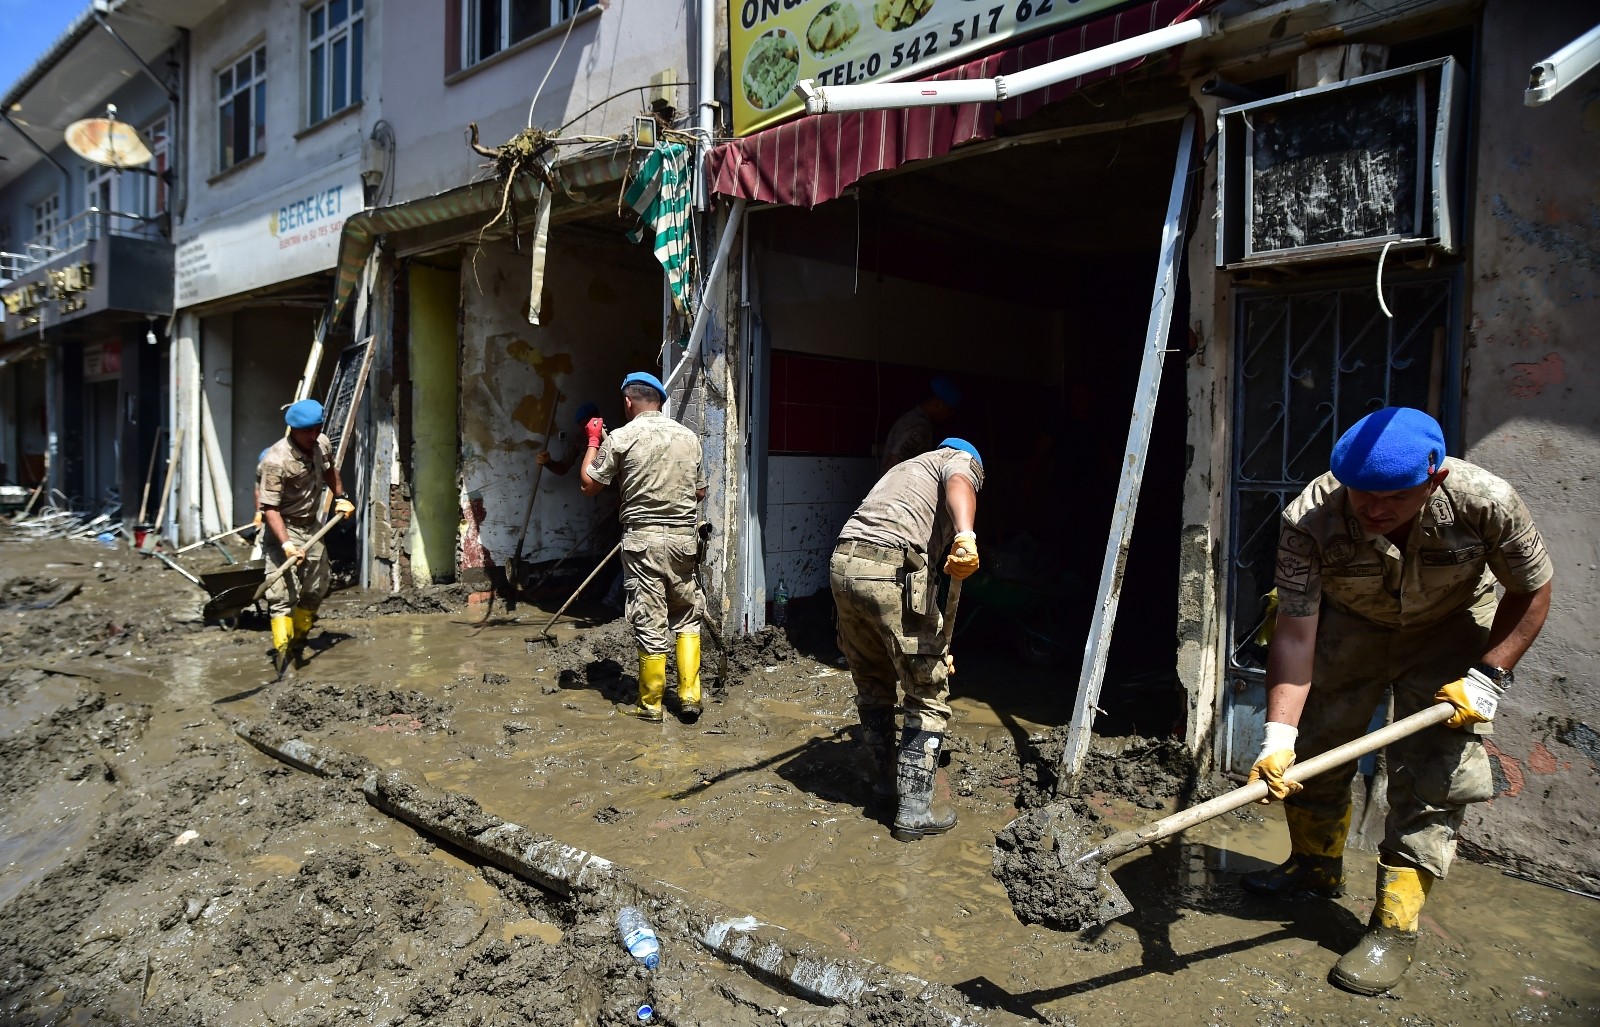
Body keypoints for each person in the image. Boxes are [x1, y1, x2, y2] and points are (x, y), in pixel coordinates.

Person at [1244, 407, 1552, 995]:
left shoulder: (1486, 501)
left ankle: (1394, 927)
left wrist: (1490, 675)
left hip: (1451, 630)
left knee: (1434, 776)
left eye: (1392, 496)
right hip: (1349, 626)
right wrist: (1278, 737)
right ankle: (1313, 869)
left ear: (1433, 477)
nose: (1374, 509)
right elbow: (1294, 629)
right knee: (1315, 749)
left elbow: (1531, 588)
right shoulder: (1310, 516)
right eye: (1362, 494)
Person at [831, 438, 982, 842]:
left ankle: (884, 786)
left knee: (873, 680)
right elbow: (960, 481)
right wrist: (965, 534)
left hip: (844, 564)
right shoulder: (956, 460)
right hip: (889, 567)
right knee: (927, 689)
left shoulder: (906, 470)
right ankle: (914, 811)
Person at [579, 372, 707, 723]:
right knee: (685, 614)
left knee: (650, 620)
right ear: (661, 401)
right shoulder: (689, 437)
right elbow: (699, 492)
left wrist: (593, 441)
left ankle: (651, 704)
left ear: (628, 401)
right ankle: (690, 696)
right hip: (684, 540)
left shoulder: (621, 437)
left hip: (644, 542)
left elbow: (590, 484)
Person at [257, 399, 355, 672]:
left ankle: (298, 640)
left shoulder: (321, 443)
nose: (313, 435)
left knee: (316, 588)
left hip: (312, 526)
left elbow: (329, 470)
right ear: (293, 429)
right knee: (281, 596)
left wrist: (341, 497)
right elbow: (270, 509)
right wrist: (287, 545)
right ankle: (284, 657)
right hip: (283, 528)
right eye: (307, 431)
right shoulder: (276, 461)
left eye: (317, 428)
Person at [881, 376, 960, 473]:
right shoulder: (919, 425)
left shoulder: (910, 417)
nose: (948, 415)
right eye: (948, 410)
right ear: (938, 404)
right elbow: (893, 461)